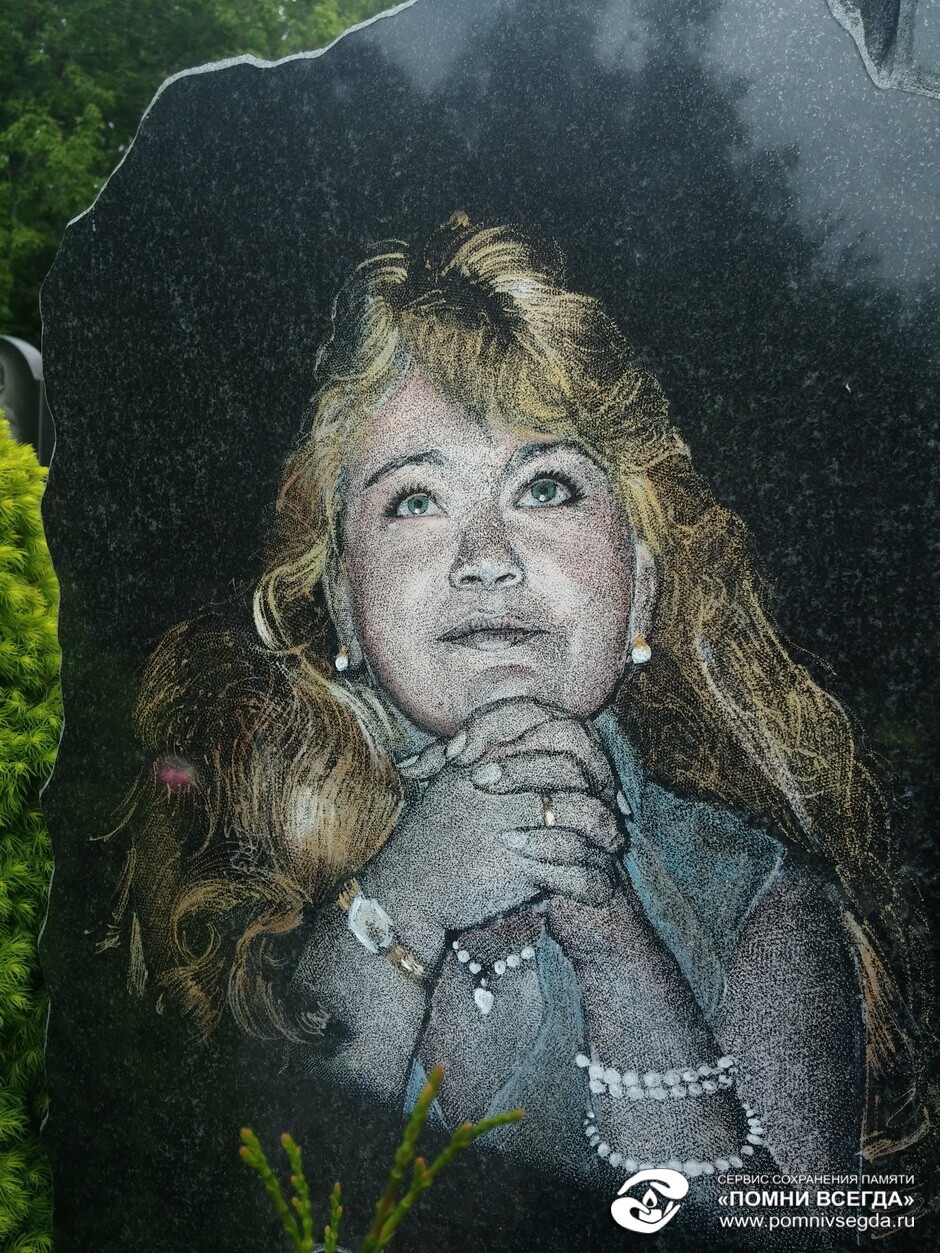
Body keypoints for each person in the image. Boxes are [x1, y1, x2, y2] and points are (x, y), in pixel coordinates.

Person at [109, 215, 929, 1204]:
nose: (488, 557)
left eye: (544, 487)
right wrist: (402, 901)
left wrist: (617, 944)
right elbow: (252, 1212)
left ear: (639, 584)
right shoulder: (233, 867)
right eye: (416, 500)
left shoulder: (759, 901)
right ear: (343, 604)